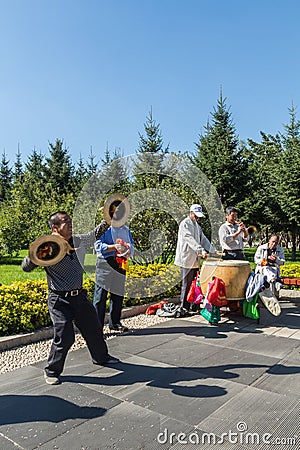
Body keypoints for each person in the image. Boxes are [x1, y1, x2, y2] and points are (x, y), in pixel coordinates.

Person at [22, 211, 119, 385]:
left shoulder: (78, 241)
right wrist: (36, 252)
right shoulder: (49, 248)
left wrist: (109, 218)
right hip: (60, 300)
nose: (70, 223)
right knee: (65, 336)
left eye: (70, 220)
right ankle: (51, 371)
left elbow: (95, 233)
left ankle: (101, 358)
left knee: (94, 328)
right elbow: (26, 267)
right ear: (55, 227)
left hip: (79, 297)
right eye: (65, 221)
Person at [93, 201, 134, 332]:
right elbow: (98, 246)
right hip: (105, 263)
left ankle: (115, 322)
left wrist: (128, 250)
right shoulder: (103, 228)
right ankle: (96, 328)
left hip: (121, 263)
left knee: (118, 294)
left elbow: (131, 245)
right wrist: (113, 247)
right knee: (100, 297)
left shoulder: (126, 229)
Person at [174, 204, 216, 312]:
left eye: (199, 217)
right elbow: (190, 240)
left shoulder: (197, 226)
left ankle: (193, 305)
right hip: (186, 258)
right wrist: (201, 251)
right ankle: (184, 307)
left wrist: (213, 250)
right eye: (196, 216)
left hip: (195, 259)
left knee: (195, 284)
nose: (198, 218)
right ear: (191, 213)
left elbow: (203, 239)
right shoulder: (185, 224)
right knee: (186, 285)